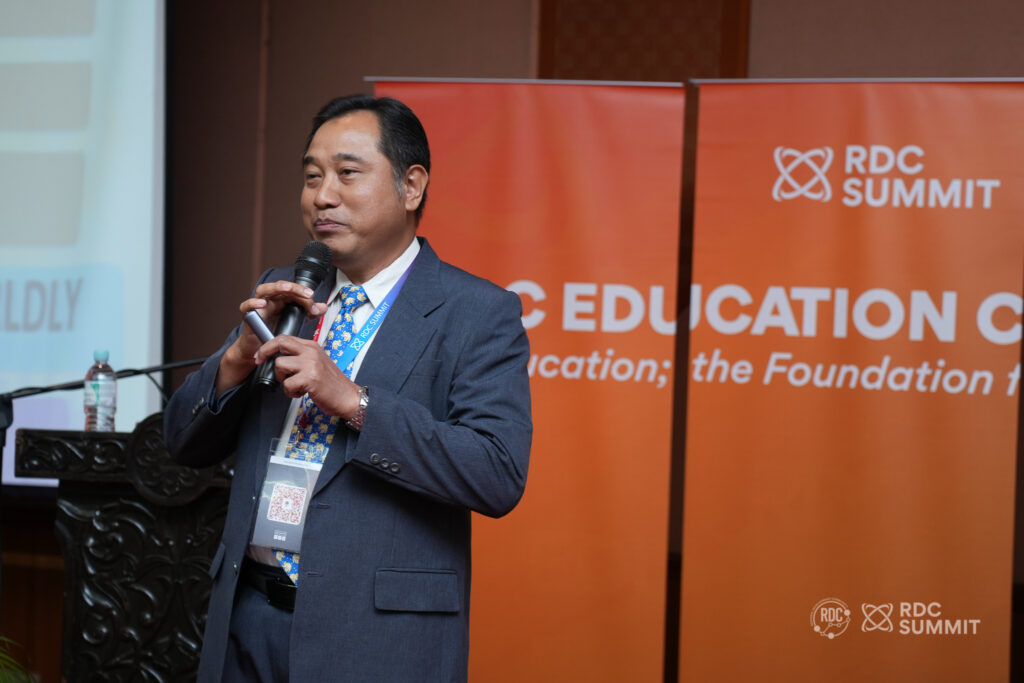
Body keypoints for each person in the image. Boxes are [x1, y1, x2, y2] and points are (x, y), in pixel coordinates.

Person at [163, 94, 532, 682]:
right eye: (312, 177)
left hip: (377, 638)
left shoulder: (476, 312)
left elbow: (496, 473)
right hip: (248, 621)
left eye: (347, 173)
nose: (322, 196)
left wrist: (356, 403)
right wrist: (234, 359)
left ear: (412, 186)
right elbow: (182, 442)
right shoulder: (286, 293)